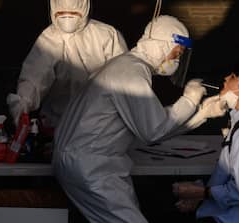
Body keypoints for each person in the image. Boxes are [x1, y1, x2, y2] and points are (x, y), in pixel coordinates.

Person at [52, 15, 226, 223]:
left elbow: (154, 126)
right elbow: (154, 131)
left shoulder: (126, 66)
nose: (176, 60)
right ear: (161, 45)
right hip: (91, 168)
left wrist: (201, 115)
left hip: (84, 162)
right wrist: (189, 100)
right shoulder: (131, 73)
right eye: (176, 53)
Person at [173, 61, 239, 223]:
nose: (226, 78)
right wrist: (201, 195)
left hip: (235, 219)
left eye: (234, 76)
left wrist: (201, 192)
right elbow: (227, 174)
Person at [7, 0, 128, 129]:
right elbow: (35, 76)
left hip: (102, 123)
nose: (68, 17)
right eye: (62, 12)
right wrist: (23, 102)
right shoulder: (49, 38)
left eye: (74, 12)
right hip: (58, 123)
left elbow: (124, 77)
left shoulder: (106, 35)